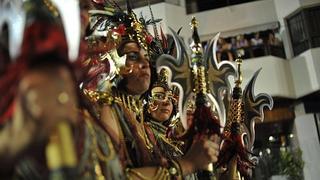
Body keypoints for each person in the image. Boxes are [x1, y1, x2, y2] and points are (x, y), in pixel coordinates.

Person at [81, 2, 221, 179]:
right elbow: (113, 177)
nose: (144, 63)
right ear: (113, 61)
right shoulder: (106, 109)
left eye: (146, 57)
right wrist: (187, 164)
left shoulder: (143, 126)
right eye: (133, 56)